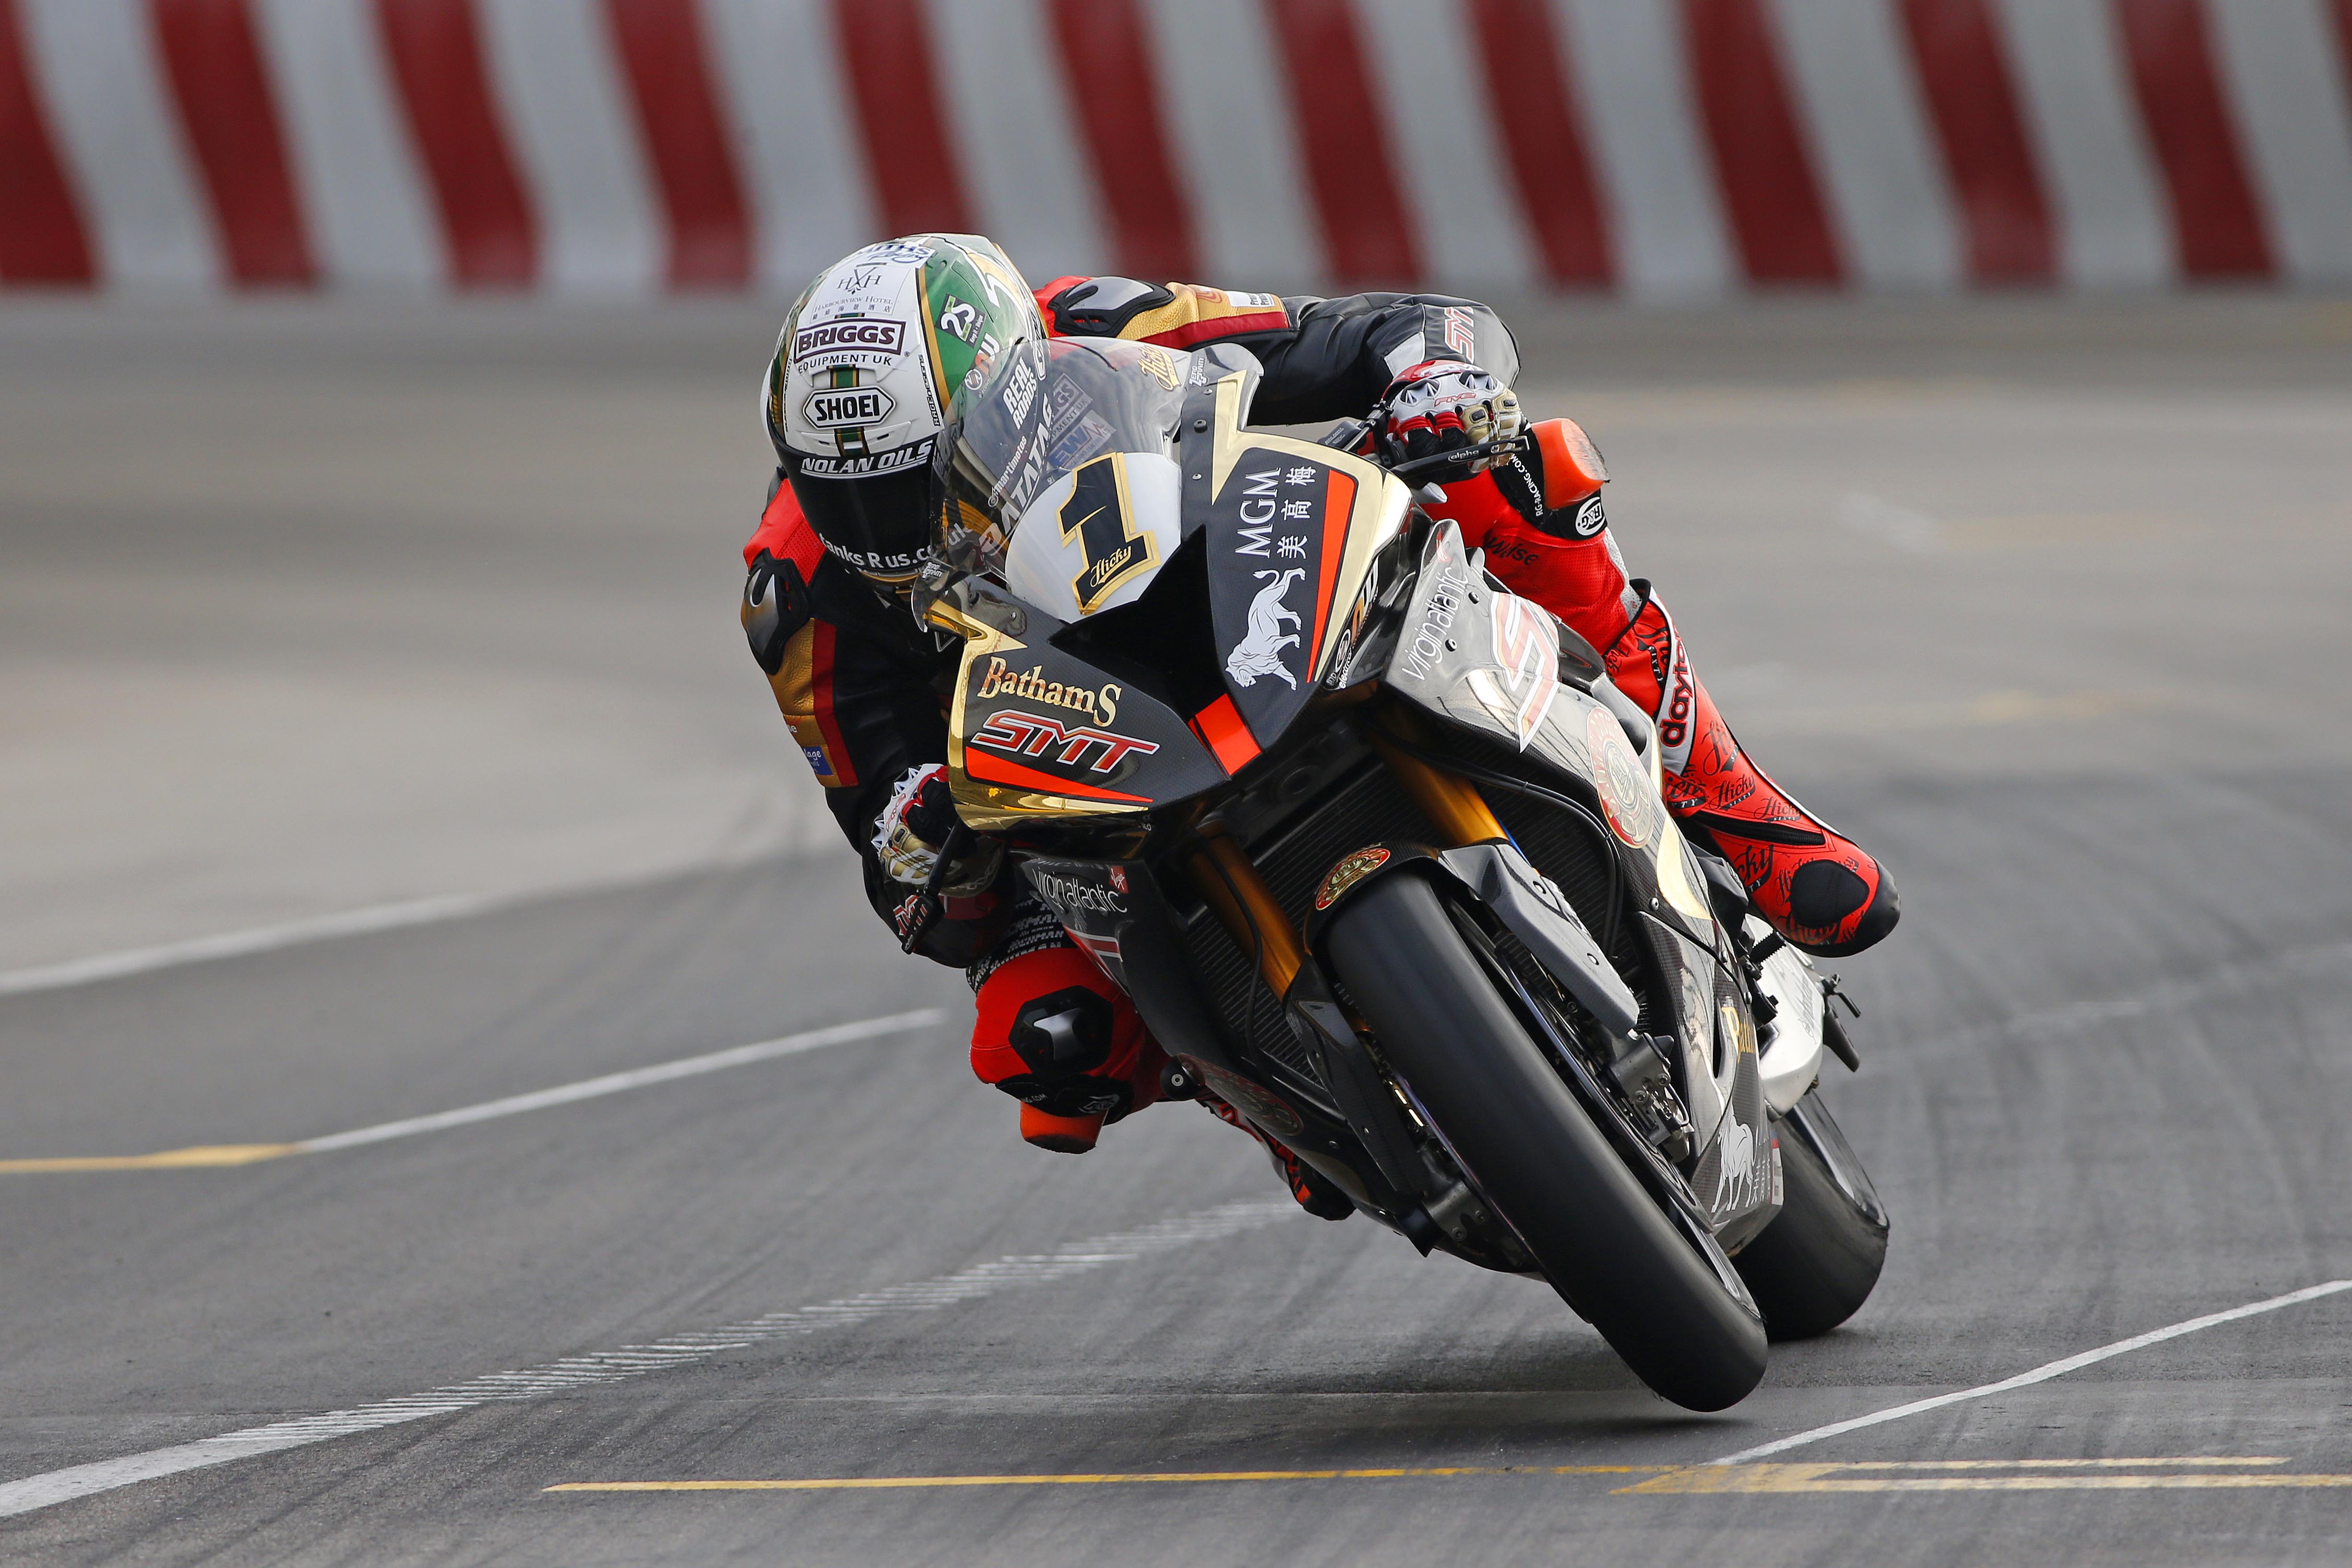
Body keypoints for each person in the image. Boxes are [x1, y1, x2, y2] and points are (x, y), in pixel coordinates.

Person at [740, 233, 1897, 1215]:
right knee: (1043, 1032)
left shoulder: (1094, 323)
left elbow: (1362, 332)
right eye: (846, 495)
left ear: (1006, 382)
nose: (881, 524)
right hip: (1078, 756)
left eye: (911, 478)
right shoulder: (795, 596)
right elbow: (895, 851)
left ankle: (1731, 805)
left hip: (1242, 585)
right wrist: (922, 837)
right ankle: (1278, 1094)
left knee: (1518, 470)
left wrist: (1430, 376)